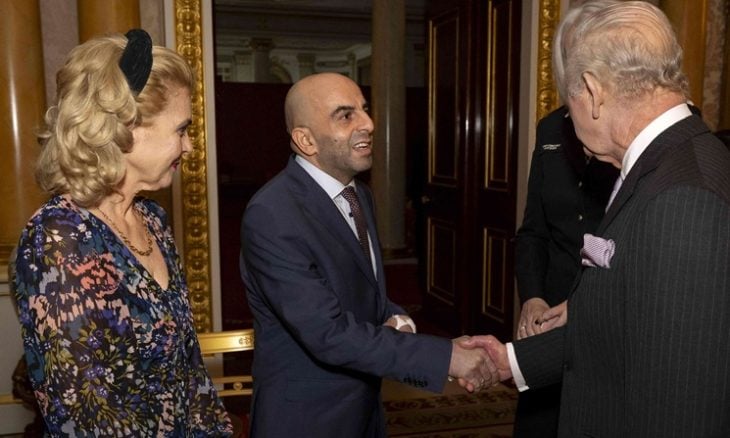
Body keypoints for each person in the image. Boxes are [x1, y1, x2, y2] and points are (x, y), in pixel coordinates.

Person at [469, 1, 730, 436]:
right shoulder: (661, 164)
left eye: (568, 100)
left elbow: (681, 407)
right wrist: (511, 361)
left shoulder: (684, 198)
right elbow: (625, 325)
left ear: (592, 91)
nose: (568, 116)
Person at [239, 72, 496, 437]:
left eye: (364, 109)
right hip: (308, 419)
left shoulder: (359, 195)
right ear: (305, 140)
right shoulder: (273, 213)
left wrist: (400, 321)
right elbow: (328, 333)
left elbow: (365, 293)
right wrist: (445, 358)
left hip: (366, 408)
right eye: (346, 115)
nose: (369, 123)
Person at [12, 29, 232, 436]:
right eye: (181, 130)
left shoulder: (152, 219)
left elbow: (190, 374)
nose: (188, 147)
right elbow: (85, 412)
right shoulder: (58, 238)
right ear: (126, 128)